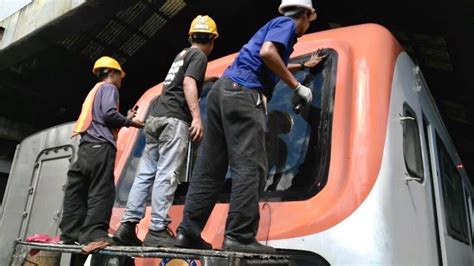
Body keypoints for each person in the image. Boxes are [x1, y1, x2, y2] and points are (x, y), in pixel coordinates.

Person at [175, 0, 326, 253]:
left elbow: (267, 59)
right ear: (307, 14)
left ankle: (188, 232)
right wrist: (297, 86)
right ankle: (239, 236)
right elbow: (268, 53)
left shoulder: (272, 25)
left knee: (209, 169)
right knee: (251, 166)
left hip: (221, 93)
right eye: (310, 21)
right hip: (244, 94)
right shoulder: (286, 25)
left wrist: (301, 66)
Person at [113, 15, 218, 247]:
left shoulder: (182, 55)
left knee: (145, 175)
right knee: (167, 174)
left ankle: (127, 227)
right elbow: (189, 83)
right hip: (174, 120)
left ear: (190, 36)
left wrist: (210, 77)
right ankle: (157, 229)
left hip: (155, 120)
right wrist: (197, 117)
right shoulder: (200, 55)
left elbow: (181, 80)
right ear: (212, 41)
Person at [59, 56, 144, 246]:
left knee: (77, 191)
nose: (121, 81)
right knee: (101, 191)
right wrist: (131, 122)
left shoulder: (94, 91)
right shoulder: (109, 88)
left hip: (86, 148)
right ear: (112, 73)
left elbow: (101, 119)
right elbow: (108, 115)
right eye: (120, 76)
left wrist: (124, 117)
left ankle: (69, 234)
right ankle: (94, 233)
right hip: (101, 149)